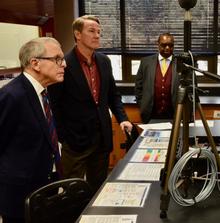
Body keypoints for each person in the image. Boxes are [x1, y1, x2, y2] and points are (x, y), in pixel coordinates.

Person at [48, 15, 132, 193]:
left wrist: (123, 118)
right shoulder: (64, 64)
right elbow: (54, 105)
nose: (97, 36)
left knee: (98, 189)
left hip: (101, 138)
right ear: (78, 35)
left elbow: (113, 95)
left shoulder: (104, 61)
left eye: (99, 32)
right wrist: (64, 137)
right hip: (75, 141)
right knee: (72, 191)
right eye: (92, 31)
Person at [0, 37, 66, 223]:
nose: (64, 64)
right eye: (57, 59)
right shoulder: (12, 96)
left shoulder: (43, 91)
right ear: (35, 63)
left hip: (45, 189)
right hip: (19, 198)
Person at [135, 33, 180, 123]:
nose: (167, 48)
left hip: (175, 115)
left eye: (170, 45)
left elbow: (192, 91)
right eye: (164, 45)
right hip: (150, 115)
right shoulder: (146, 62)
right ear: (158, 45)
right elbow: (138, 87)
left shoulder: (182, 63)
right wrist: (143, 105)